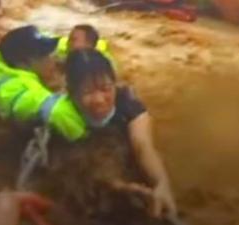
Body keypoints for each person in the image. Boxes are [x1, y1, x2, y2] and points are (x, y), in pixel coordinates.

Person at [64, 49, 177, 218]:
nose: (99, 100)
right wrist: (116, 186)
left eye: (105, 89)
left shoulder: (128, 105)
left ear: (115, 84)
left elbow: (142, 146)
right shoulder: (62, 115)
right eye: (87, 92)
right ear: (72, 94)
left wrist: (162, 183)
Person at [0, 25, 87, 141]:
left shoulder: (7, 61)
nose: (53, 59)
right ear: (23, 63)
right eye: (45, 55)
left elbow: (63, 45)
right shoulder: (11, 91)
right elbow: (57, 112)